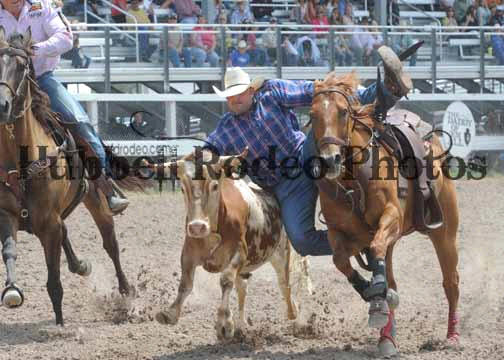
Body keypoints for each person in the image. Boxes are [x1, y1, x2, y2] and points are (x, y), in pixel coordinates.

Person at [205, 46, 412, 258]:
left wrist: (359, 93)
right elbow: (206, 152)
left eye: (239, 94)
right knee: (303, 242)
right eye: (230, 96)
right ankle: (358, 241)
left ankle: (386, 90)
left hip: (305, 156)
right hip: (285, 186)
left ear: (251, 90)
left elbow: (315, 92)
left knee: (327, 111)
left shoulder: (272, 93)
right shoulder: (226, 128)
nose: (235, 100)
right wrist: (187, 163)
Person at [0, 0, 129, 214]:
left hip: (41, 79)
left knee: (79, 122)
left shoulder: (41, 7)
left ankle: (107, 189)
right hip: (6, 82)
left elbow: (66, 38)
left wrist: (37, 49)